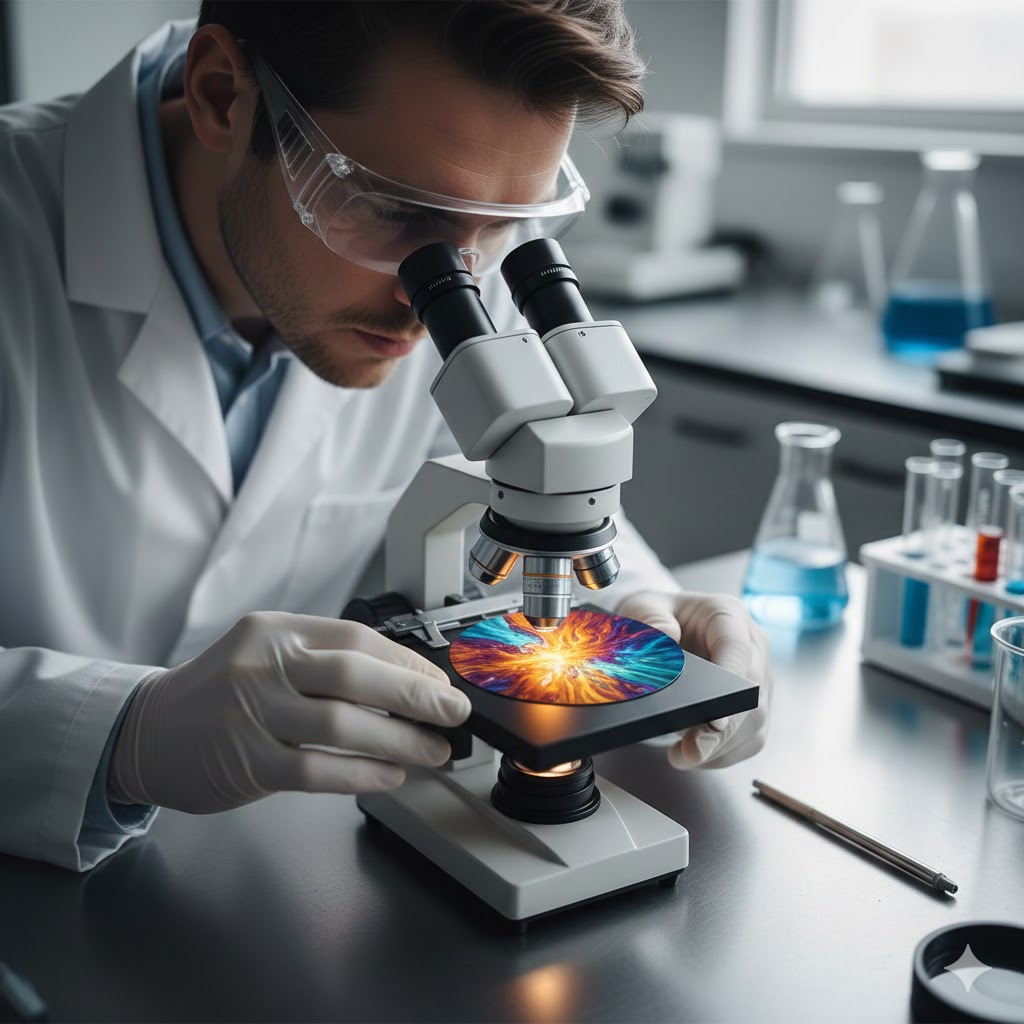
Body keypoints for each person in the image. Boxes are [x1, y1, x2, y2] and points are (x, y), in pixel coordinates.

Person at [0, 1, 770, 872]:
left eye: (506, 225)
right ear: (221, 95)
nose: (441, 287)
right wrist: (123, 736)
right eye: (398, 211)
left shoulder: (459, 259)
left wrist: (645, 610)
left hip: (266, 875)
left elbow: (518, 487)